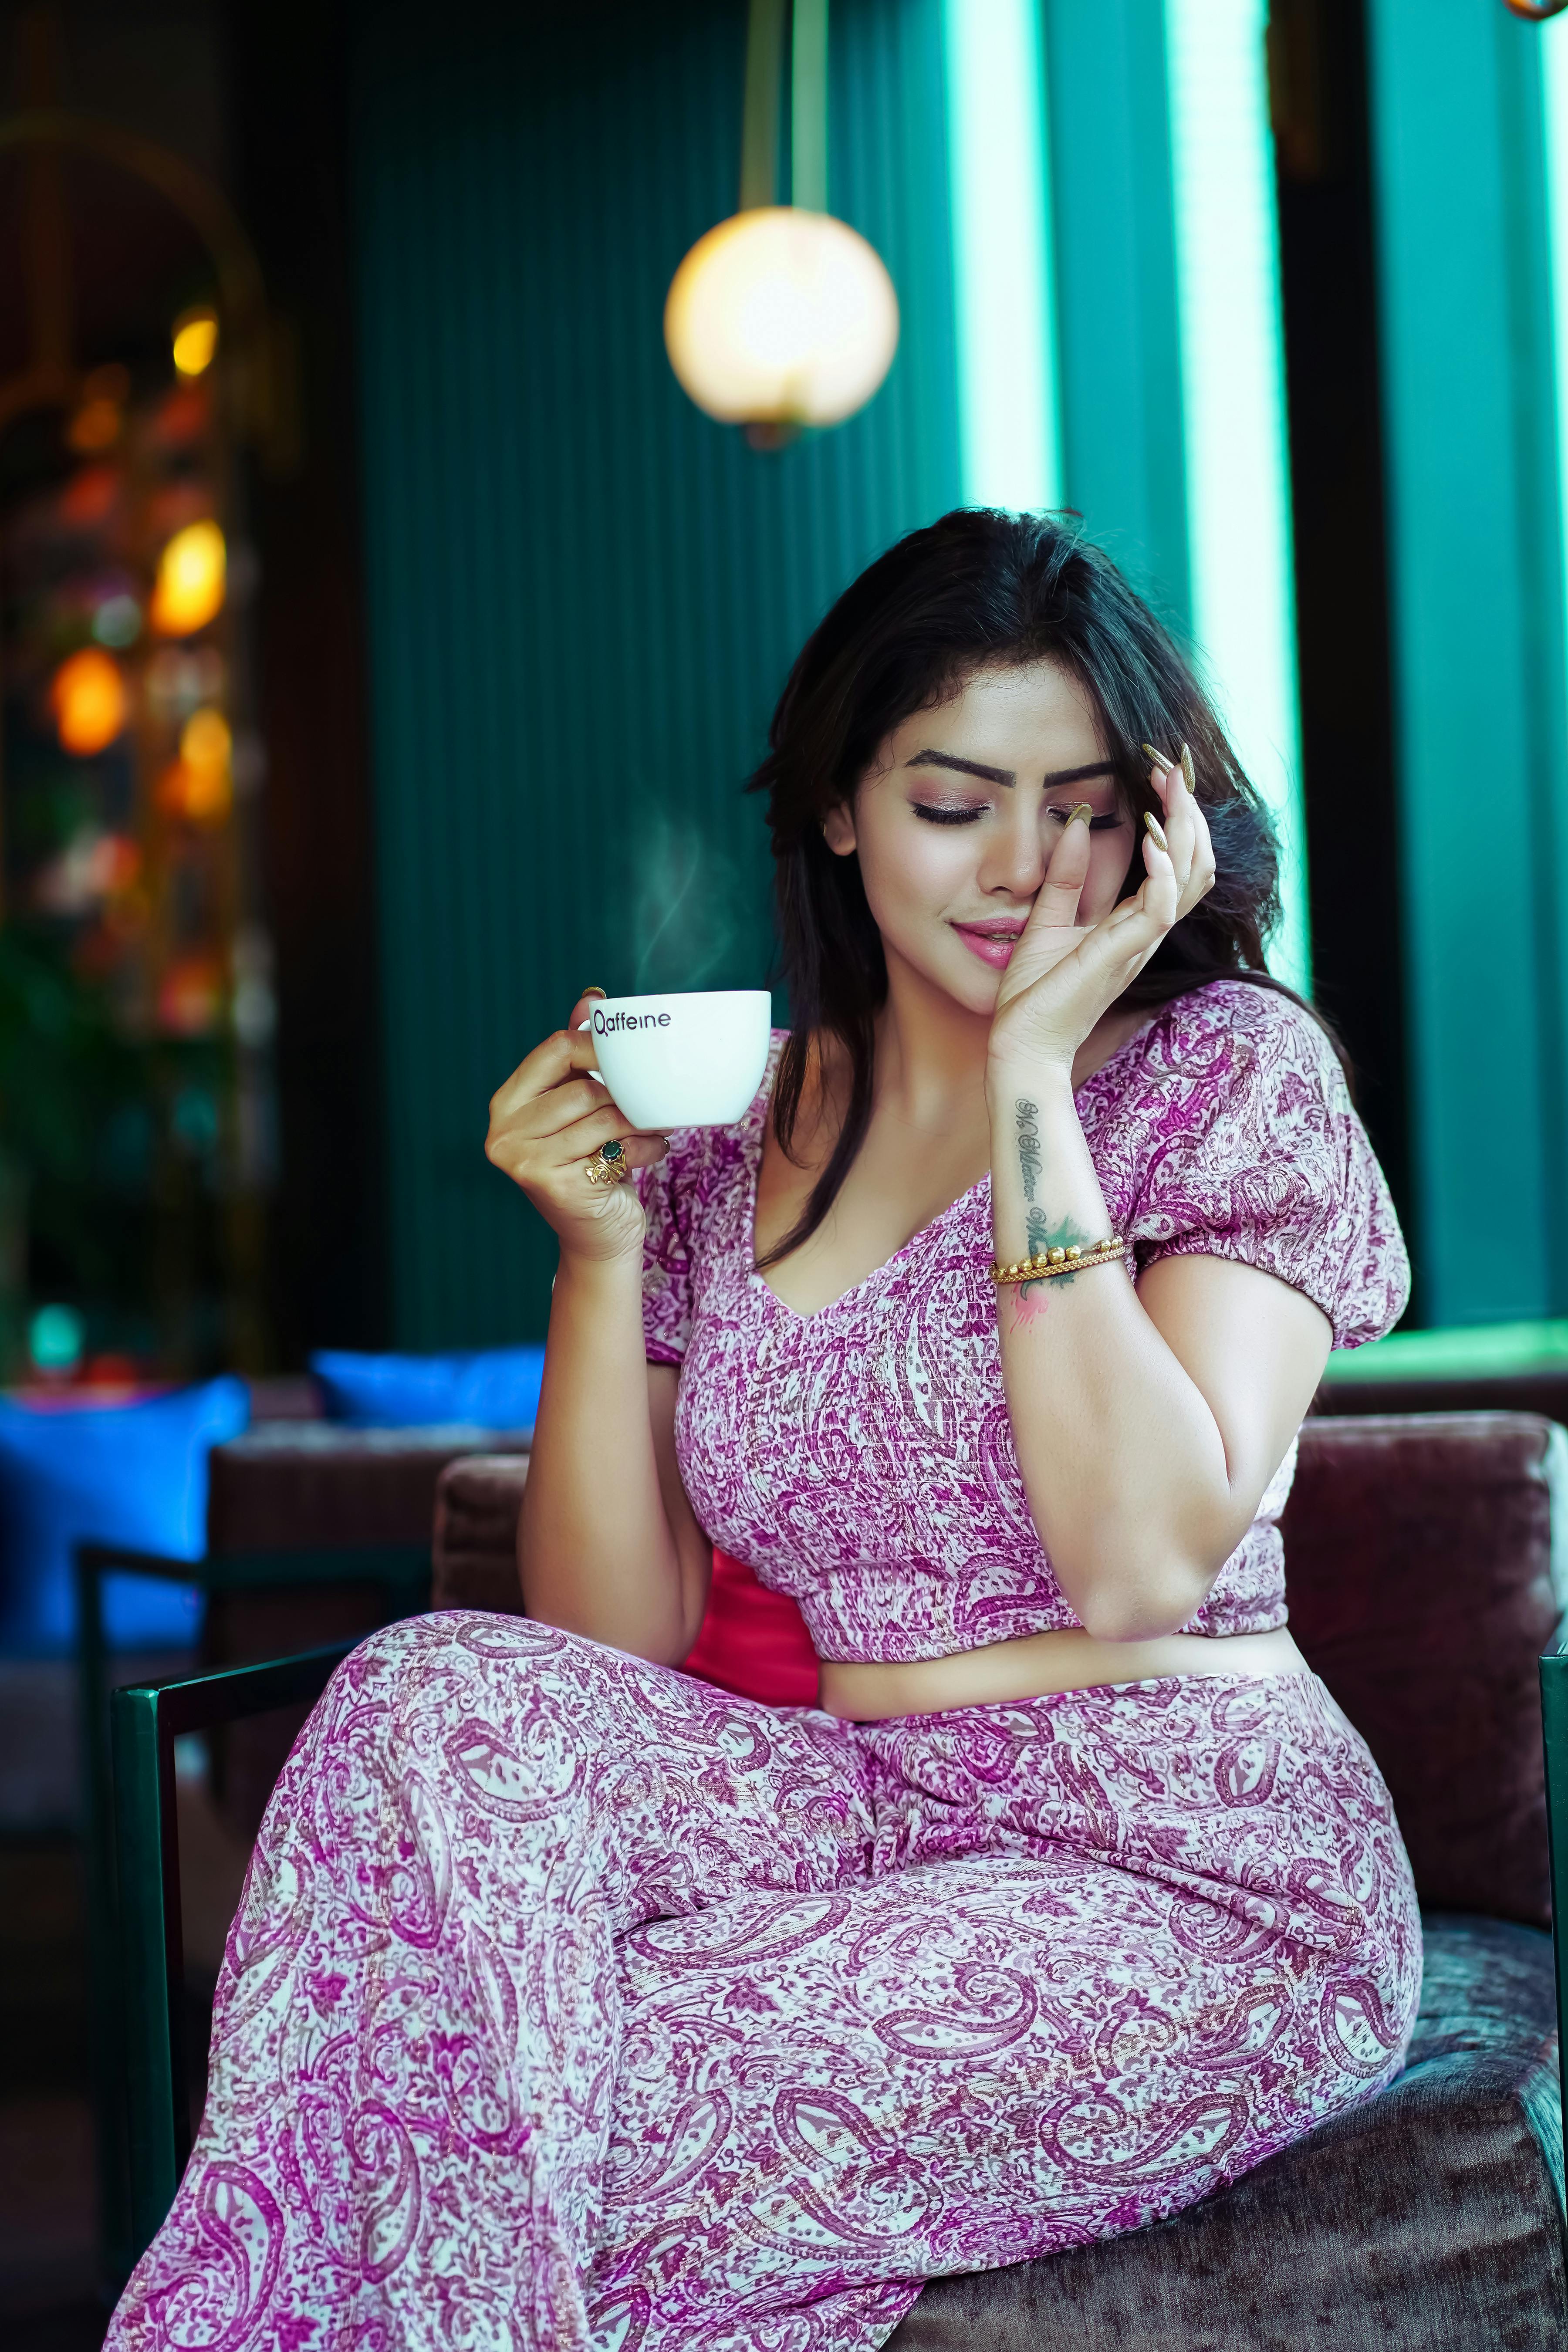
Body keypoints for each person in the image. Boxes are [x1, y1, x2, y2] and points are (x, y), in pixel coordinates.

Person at [105, 512, 1419, 2352]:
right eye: (958, 803)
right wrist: (599, 1251)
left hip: (1190, 1863)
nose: (1031, 873)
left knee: (528, 2104)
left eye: (1088, 808)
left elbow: (1141, 1560)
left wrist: (1037, 1076)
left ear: (1159, 823)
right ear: (839, 809)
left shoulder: (1227, 1075)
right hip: (847, 1810)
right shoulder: (736, 1134)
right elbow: (598, 1653)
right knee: (425, 1696)